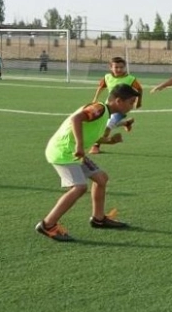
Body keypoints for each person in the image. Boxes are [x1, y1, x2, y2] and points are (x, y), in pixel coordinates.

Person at [36, 84, 141, 242]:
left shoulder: (105, 114)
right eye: (131, 102)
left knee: (101, 178)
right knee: (79, 187)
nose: (132, 106)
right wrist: (79, 145)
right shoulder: (98, 108)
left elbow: (91, 133)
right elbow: (76, 118)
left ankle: (98, 219)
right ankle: (48, 224)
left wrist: (110, 141)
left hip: (74, 153)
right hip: (64, 151)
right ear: (119, 101)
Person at [89, 57, 143, 154]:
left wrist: (138, 102)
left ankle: (96, 146)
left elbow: (139, 89)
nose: (119, 69)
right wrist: (95, 99)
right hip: (109, 105)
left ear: (125, 67)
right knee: (106, 122)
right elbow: (101, 87)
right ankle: (126, 123)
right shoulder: (107, 77)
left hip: (123, 107)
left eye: (121, 67)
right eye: (116, 67)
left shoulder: (130, 79)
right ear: (110, 67)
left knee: (107, 126)